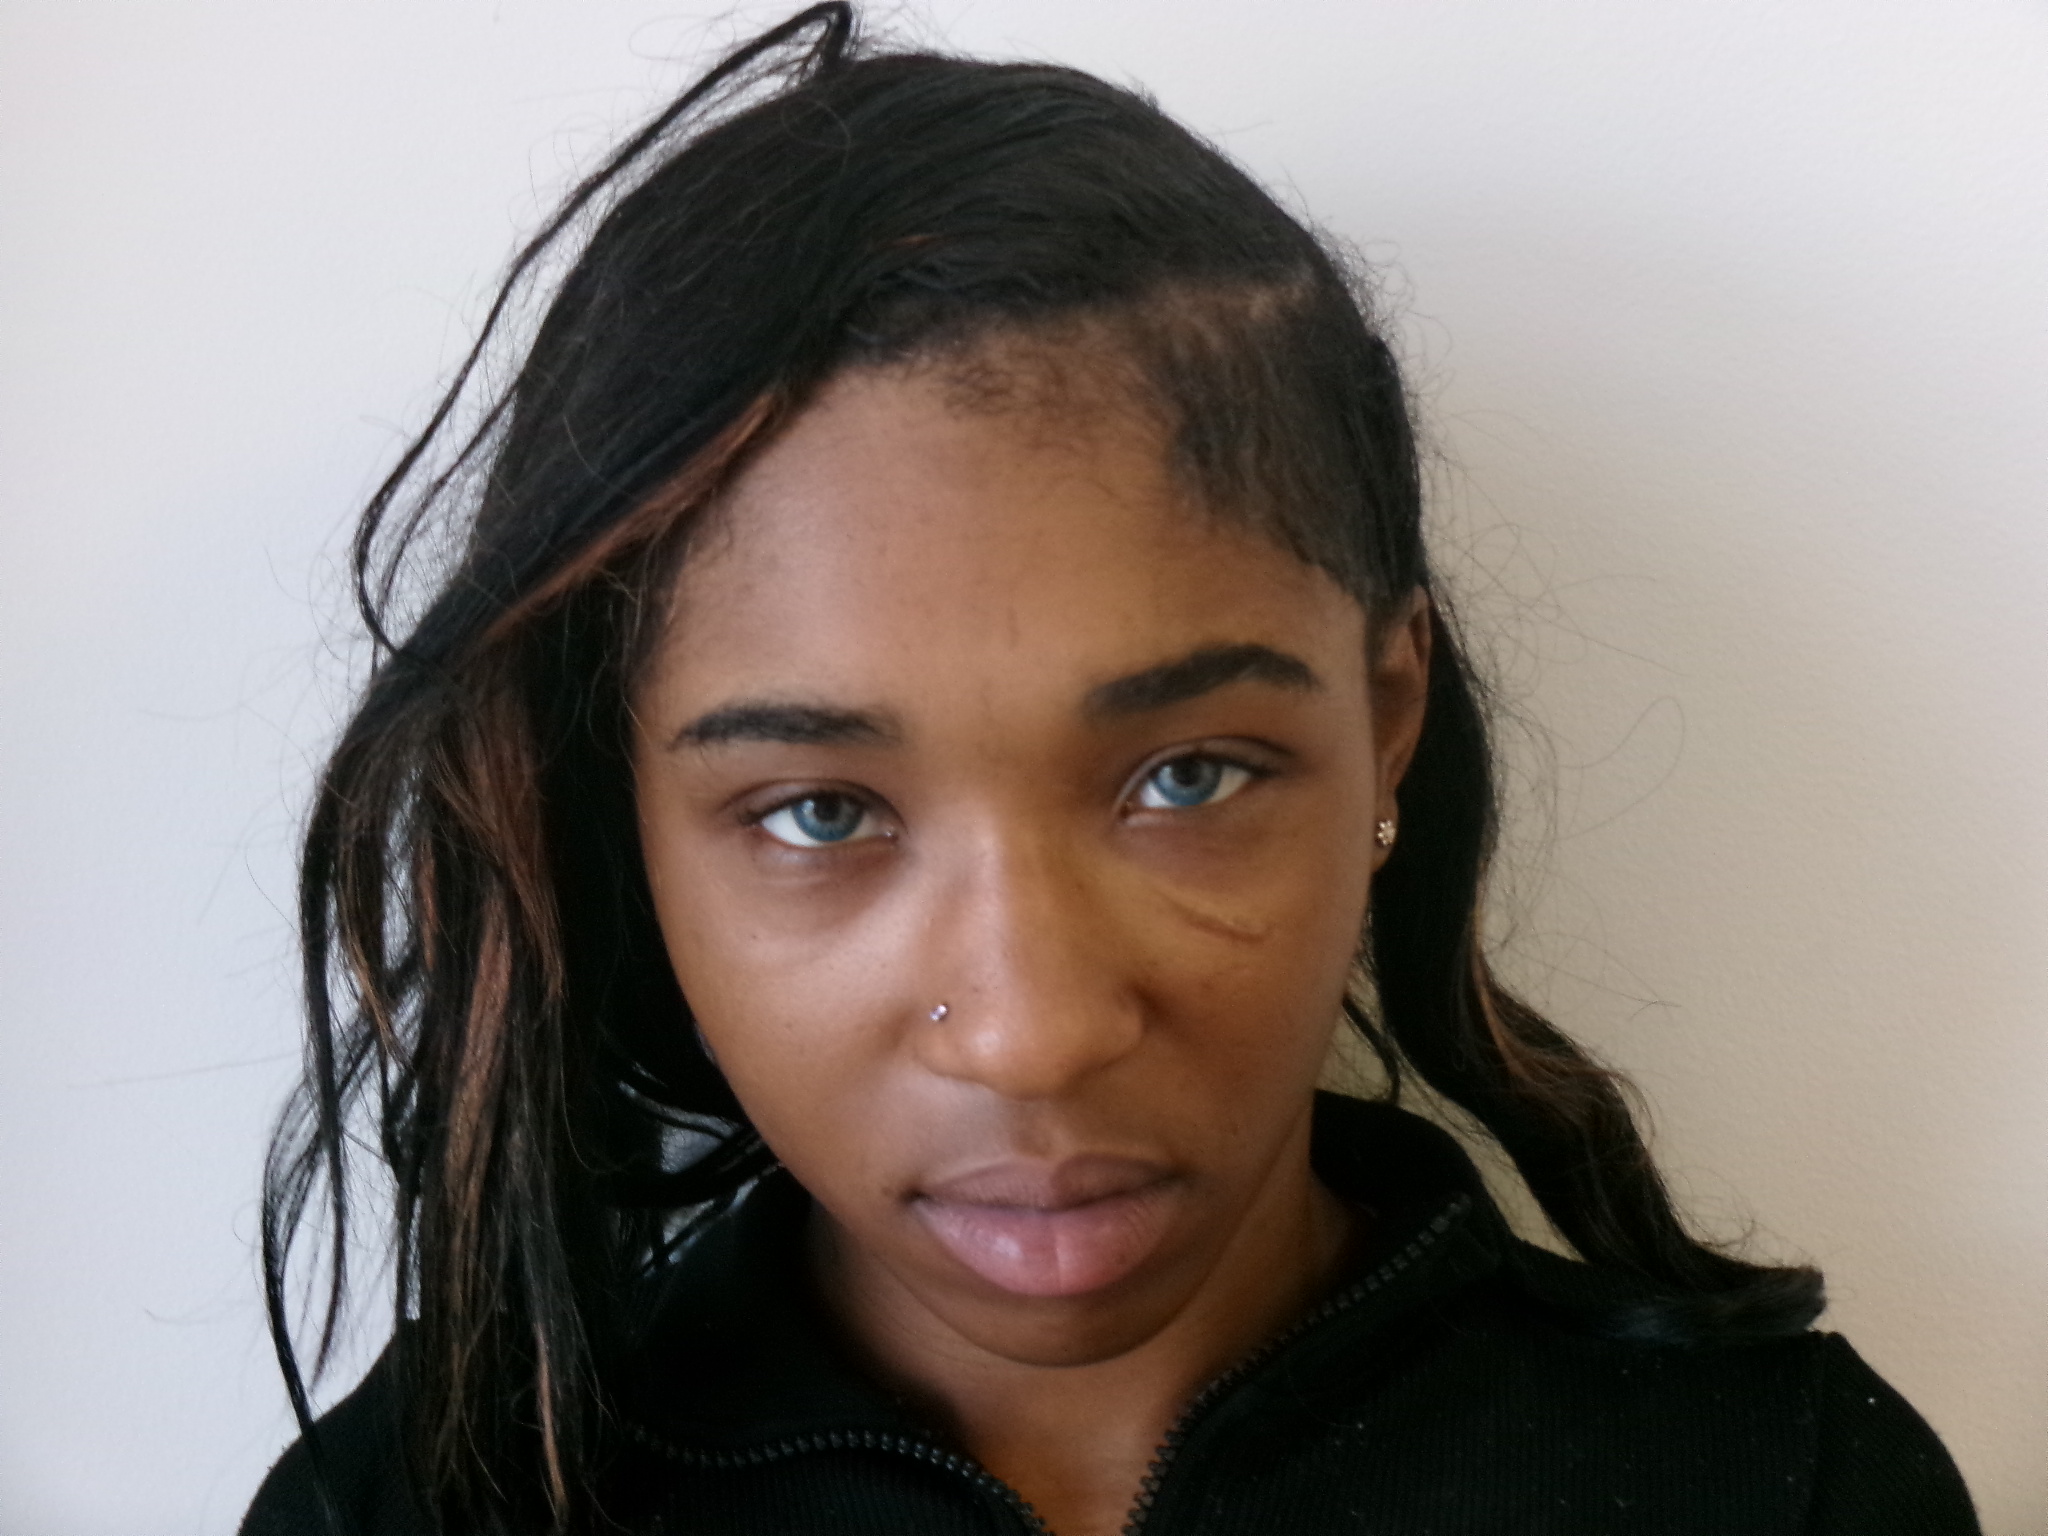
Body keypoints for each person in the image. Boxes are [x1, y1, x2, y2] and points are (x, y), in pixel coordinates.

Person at [240, 7, 1979, 1533]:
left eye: (1190, 777)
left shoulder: (1784, 1488)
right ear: (620, 818)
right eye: (821, 812)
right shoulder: (408, 1511)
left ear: (1386, 720)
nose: (1033, 1033)